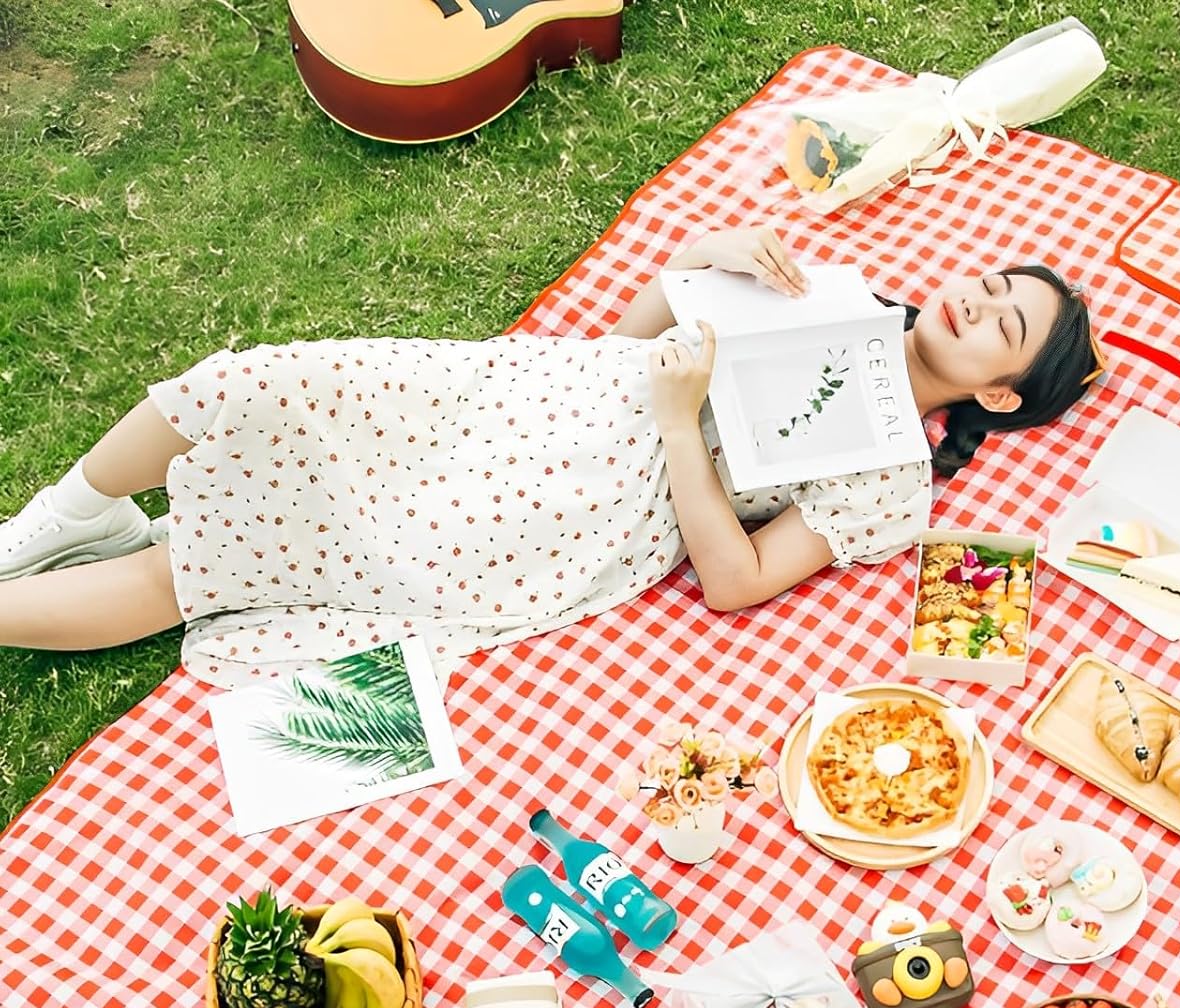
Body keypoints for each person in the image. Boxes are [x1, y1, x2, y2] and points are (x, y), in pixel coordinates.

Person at [0, 227, 1097, 683]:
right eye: (993, 282)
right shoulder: (835, 295)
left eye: (1002, 324)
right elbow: (630, 335)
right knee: (268, 380)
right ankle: (69, 511)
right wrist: (704, 261)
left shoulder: (895, 481)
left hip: (584, 507)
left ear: (999, 394)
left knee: (230, 564)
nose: (975, 300)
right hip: (543, 390)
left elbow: (736, 580)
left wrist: (681, 423)